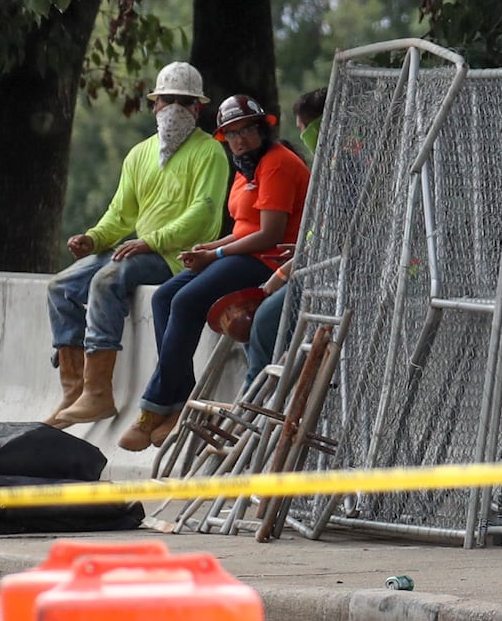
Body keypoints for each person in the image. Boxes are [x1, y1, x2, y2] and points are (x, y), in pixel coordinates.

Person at [119, 95, 311, 451]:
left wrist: (217, 252)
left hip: (270, 260)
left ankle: (153, 405)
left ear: (262, 129)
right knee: (164, 298)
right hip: (245, 251)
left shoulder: (276, 163)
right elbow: (243, 228)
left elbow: (269, 234)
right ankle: (178, 401)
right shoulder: (245, 167)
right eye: (232, 134)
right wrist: (209, 249)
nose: (240, 139)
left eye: (246, 131)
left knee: (188, 301)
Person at [42, 62, 228, 429]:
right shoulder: (139, 154)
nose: (173, 108)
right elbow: (120, 214)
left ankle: (99, 393)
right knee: (61, 286)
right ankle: (75, 387)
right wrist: (94, 238)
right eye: (166, 101)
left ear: (197, 109)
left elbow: (202, 216)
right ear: (154, 106)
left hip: (177, 257)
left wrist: (151, 242)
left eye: (183, 101)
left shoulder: (210, 153)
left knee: (107, 279)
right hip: (139, 246)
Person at [244, 87, 328, 386]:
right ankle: (257, 397)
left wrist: (282, 273)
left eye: (303, 129)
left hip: (332, 275)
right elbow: (318, 232)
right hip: (312, 265)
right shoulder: (327, 166)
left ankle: (254, 408)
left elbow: (333, 236)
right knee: (249, 320)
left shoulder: (345, 166)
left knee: (266, 319)